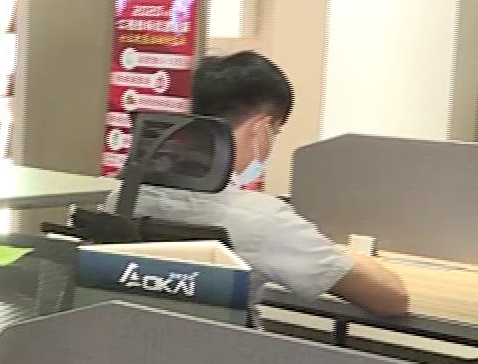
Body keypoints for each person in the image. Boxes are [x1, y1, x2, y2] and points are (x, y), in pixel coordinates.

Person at [127, 51, 410, 317]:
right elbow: (391, 299)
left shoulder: (125, 197)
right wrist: (346, 255)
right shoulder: (261, 219)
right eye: (276, 131)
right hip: (225, 349)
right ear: (261, 128)